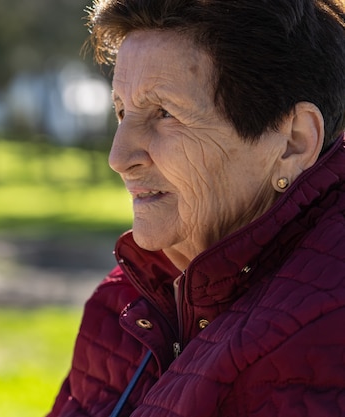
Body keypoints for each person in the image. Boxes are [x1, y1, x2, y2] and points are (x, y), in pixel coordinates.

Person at [47, 0, 345, 416]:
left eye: (164, 113)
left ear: (293, 140)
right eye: (122, 111)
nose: (118, 156)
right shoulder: (120, 305)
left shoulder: (322, 332)